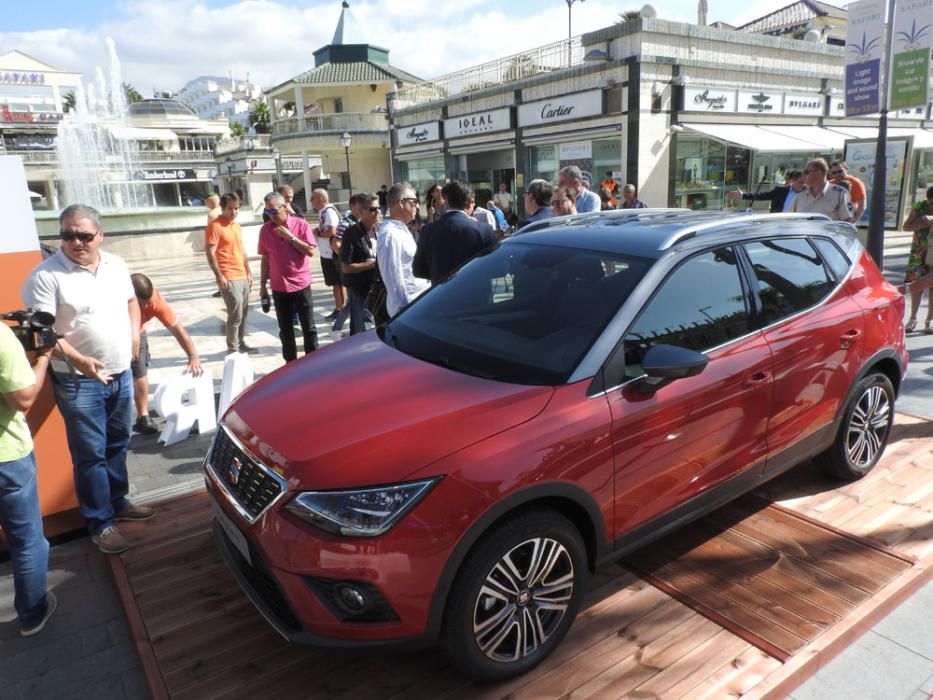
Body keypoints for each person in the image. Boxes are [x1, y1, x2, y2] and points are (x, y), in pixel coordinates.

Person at [21, 204, 155, 555]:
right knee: (90, 454)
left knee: (117, 442)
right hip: (78, 381)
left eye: (83, 235)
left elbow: (131, 302)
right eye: (67, 234)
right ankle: (100, 522)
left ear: (100, 235)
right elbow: (43, 332)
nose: (75, 242)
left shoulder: (115, 264)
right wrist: (80, 359)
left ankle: (118, 501)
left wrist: (135, 338)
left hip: (120, 371)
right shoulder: (46, 276)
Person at [0, 320, 56, 635]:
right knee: (27, 541)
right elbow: (23, 399)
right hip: (6, 457)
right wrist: (42, 357)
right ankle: (33, 614)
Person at [129, 273, 203, 435]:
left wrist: (193, 356)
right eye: (140, 305)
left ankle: (143, 416)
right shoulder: (114, 298)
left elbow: (177, 328)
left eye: (146, 304)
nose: (144, 308)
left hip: (138, 332)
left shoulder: (155, 302)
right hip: (112, 332)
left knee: (140, 370)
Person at [258, 192, 319, 361]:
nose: (270, 216)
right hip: (279, 287)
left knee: (309, 328)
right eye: (267, 212)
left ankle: (312, 363)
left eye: (273, 211)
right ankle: (290, 365)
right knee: (285, 330)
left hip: (301, 285)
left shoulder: (301, 224)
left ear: (284, 207)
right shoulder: (265, 231)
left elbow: (311, 251)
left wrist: (290, 237)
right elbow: (265, 258)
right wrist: (263, 285)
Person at [413, 181, 497, 286]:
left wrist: (441, 275)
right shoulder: (484, 230)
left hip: (440, 296)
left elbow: (418, 270)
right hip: (477, 295)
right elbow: (496, 269)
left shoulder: (428, 231)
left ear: (447, 202)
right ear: (469, 202)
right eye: (473, 202)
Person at [205, 193, 256, 354]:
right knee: (235, 315)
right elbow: (210, 252)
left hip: (242, 275)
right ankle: (233, 349)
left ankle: (240, 343)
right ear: (222, 207)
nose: (234, 212)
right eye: (230, 209)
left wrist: (248, 272)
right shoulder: (215, 225)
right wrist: (219, 276)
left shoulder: (236, 226)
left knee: (244, 313)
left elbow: (241, 250)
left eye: (236, 208)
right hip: (228, 276)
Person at [377, 183, 430, 316]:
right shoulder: (391, 234)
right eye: (414, 202)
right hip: (408, 309)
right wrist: (402, 309)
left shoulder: (401, 229)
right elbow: (392, 277)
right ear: (400, 202)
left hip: (417, 304)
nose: (417, 206)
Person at [340, 193, 380, 335]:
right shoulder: (351, 233)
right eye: (373, 209)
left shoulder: (380, 230)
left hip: (378, 290)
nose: (377, 212)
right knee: (362, 333)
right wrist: (371, 265)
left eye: (379, 208)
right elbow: (346, 267)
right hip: (360, 291)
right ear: (361, 211)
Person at [310, 188, 345, 321]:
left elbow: (332, 231)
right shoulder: (324, 212)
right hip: (327, 253)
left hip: (332, 254)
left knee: (338, 284)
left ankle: (340, 309)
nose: (311, 201)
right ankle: (340, 308)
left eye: (312, 198)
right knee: (336, 284)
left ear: (321, 199)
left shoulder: (329, 212)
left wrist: (318, 233)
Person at [903, 186, 933, 334]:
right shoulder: (919, 207)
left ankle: (930, 320)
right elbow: (906, 226)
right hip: (918, 253)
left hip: (932, 253)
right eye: (931, 204)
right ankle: (913, 318)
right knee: (916, 286)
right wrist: (920, 224)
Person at [727, 170, 804, 213]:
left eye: (804, 183)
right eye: (800, 182)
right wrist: (743, 195)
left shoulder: (806, 193)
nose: (802, 185)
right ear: (793, 181)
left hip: (797, 226)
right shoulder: (780, 191)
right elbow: (762, 195)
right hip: (777, 224)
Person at [205, 194, 223, 298]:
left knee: (219, 267)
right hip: (227, 243)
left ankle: (222, 289)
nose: (205, 204)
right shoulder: (223, 210)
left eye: (206, 201)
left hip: (217, 245)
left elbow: (211, 231)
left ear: (211, 202)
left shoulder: (212, 214)